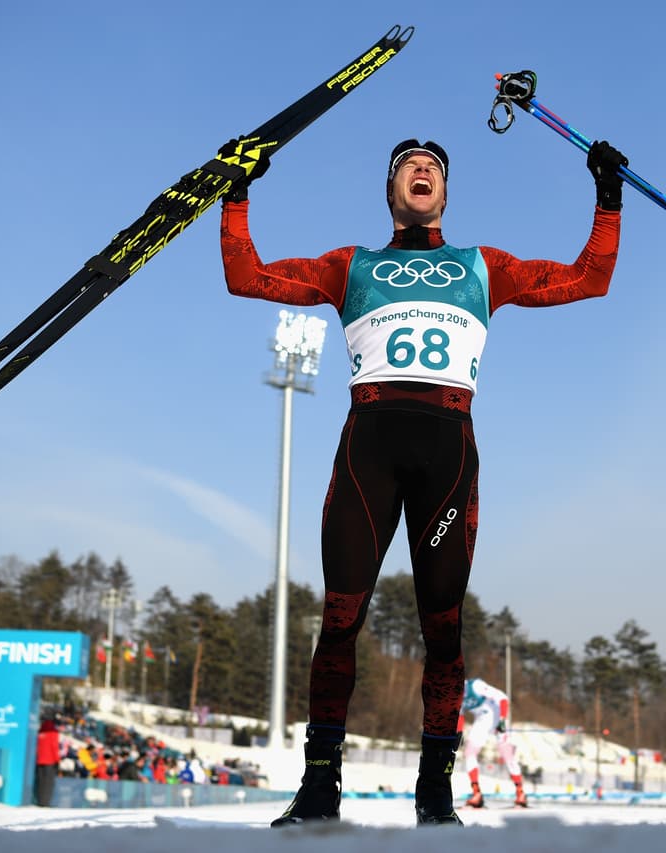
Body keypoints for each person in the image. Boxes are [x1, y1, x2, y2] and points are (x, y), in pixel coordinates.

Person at [220, 133, 627, 826]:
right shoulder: (351, 265)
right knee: (339, 621)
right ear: (391, 189)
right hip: (368, 449)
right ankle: (319, 786)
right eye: (409, 164)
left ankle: (435, 792)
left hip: (448, 454)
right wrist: (237, 192)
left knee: (443, 629)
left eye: (434, 166)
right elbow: (246, 275)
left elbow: (589, 278)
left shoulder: (483, 266)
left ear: (444, 192)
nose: (422, 168)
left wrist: (608, 197)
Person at [459, 676, 527, 808]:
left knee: (507, 755)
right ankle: (476, 794)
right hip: (482, 720)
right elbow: (459, 715)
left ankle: (520, 793)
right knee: (469, 753)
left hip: (497, 715)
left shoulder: (475, 686)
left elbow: (503, 698)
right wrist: (459, 733)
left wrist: (502, 719)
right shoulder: (452, 695)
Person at [33, 718, 61, 807]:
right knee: (48, 783)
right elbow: (54, 747)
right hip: (50, 761)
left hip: (39, 761)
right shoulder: (53, 733)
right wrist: (57, 760)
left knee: (40, 782)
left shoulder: (40, 733)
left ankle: (39, 801)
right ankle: (45, 802)